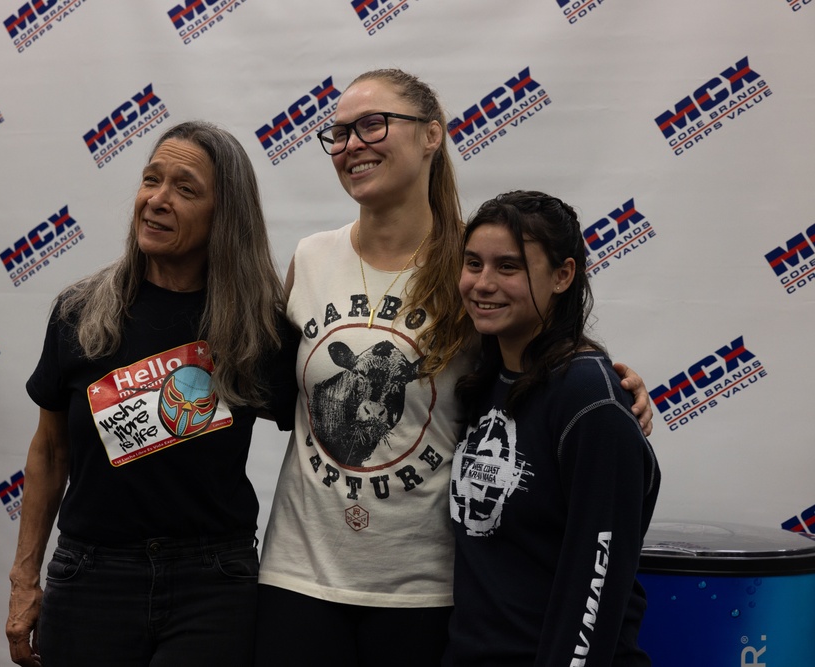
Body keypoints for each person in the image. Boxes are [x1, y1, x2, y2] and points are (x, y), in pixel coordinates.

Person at [255, 69, 653, 665]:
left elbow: (538, 363)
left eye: (372, 124)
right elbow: (270, 390)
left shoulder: (470, 267)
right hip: (299, 577)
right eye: (338, 133)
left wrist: (613, 386)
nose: (351, 144)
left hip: (427, 592)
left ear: (431, 135)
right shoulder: (311, 258)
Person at [5, 121, 297, 667]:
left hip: (213, 586)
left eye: (185, 189)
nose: (157, 200)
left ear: (225, 216)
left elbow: (314, 450)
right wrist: (24, 581)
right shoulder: (80, 312)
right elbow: (48, 452)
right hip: (91, 577)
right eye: (150, 180)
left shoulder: (260, 330)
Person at [445, 191, 660, 665]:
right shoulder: (484, 377)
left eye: (508, 267)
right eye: (473, 263)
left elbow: (596, 584)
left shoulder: (589, 400)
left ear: (563, 275)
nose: (482, 283)